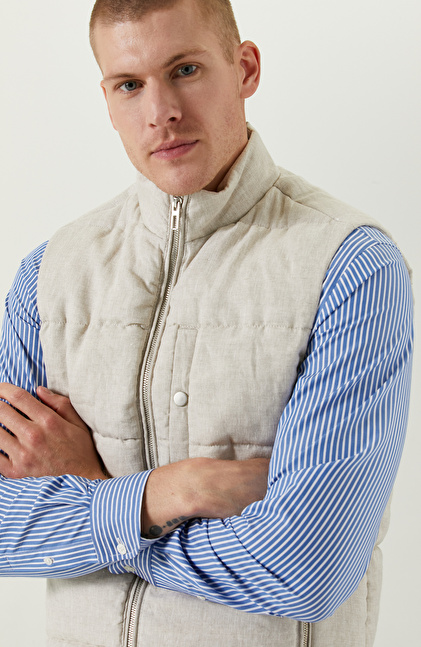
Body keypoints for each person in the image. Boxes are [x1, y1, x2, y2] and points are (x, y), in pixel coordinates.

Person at [0, 0, 413, 646]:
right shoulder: (48, 274)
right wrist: (168, 492)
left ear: (244, 69)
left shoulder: (349, 267)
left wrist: (96, 501)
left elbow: (307, 568)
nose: (160, 111)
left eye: (185, 70)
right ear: (106, 100)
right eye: (129, 84)